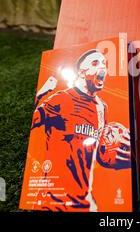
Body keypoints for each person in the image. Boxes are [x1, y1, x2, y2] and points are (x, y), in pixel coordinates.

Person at [31, 49, 131, 211]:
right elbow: (32, 123)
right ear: (82, 72)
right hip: (54, 200)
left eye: (104, 63)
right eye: (95, 63)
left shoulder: (102, 107)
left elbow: (99, 152)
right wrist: (42, 93)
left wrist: (123, 155)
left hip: (86, 203)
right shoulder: (60, 99)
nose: (102, 67)